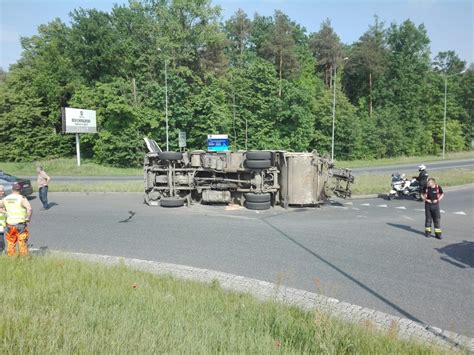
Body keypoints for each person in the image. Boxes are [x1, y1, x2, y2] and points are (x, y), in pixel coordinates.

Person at [0, 183, 33, 256]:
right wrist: (28, 218)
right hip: (20, 225)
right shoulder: (22, 198)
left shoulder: (6, 198)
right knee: (22, 243)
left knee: (11, 243)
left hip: (10, 225)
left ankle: (11, 258)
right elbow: (29, 208)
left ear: (12, 189)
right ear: (20, 190)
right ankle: (23, 259)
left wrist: (5, 212)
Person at [0, 185, 6, 252]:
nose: (2, 192)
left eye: (3, 191)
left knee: (1, 241)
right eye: (0, 191)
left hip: (1, 225)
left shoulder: (3, 199)